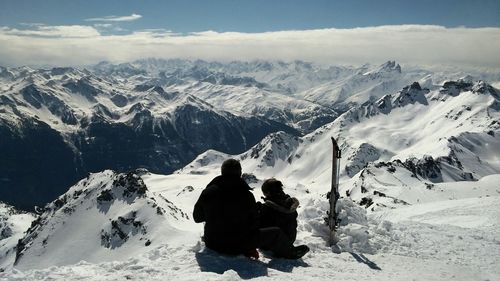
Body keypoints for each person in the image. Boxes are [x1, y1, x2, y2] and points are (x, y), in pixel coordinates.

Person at [193, 159, 309, 259]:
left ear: (222, 172)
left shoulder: (208, 192)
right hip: (239, 246)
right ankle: (290, 253)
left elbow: (197, 218)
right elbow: (254, 223)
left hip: (213, 243)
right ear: (240, 173)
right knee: (276, 232)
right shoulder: (246, 195)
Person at [258, 178, 299, 243]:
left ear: (268, 192)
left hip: (274, 244)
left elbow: (259, 225)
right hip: (290, 240)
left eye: (265, 193)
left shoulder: (267, 207)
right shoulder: (289, 203)